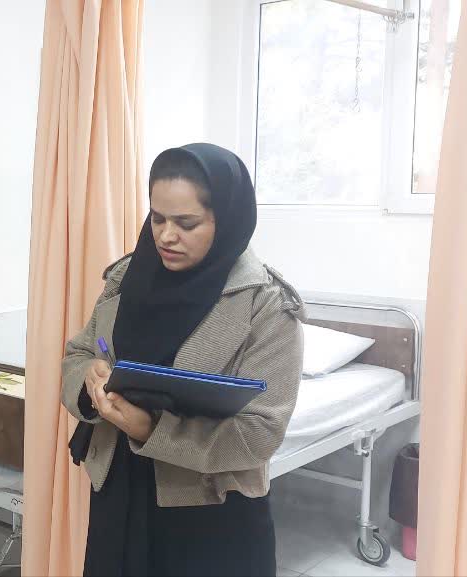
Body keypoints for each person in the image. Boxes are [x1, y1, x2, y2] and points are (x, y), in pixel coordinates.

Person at [63, 143, 304, 577]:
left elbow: (260, 432)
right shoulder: (126, 278)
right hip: (118, 495)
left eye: (186, 223)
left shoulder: (265, 305)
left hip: (210, 515)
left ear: (225, 219)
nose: (166, 236)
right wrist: (89, 379)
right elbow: (80, 352)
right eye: (157, 218)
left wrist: (152, 429)